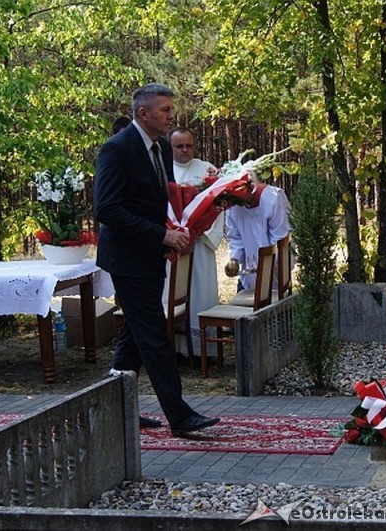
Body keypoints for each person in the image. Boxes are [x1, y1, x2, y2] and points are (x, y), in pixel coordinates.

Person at [93, 83, 219, 436]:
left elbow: (158, 202)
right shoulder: (116, 150)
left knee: (133, 335)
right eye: (164, 109)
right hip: (127, 259)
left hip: (151, 255)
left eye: (171, 109)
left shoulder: (161, 149)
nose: (171, 116)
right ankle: (179, 415)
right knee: (154, 335)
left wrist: (177, 228)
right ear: (142, 113)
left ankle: (118, 410)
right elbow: (106, 209)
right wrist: (161, 234)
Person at [168, 127, 222, 357]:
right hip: (171, 247)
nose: (184, 150)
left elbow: (220, 206)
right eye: (179, 146)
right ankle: (176, 350)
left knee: (201, 294)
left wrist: (198, 232)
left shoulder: (207, 170)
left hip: (200, 245)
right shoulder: (162, 170)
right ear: (170, 147)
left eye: (188, 145)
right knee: (171, 296)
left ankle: (202, 351)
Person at [224, 174, 291, 291]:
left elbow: (281, 239)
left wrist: (265, 264)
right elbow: (236, 238)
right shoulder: (233, 205)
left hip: (275, 272)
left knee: (274, 301)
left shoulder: (272, 199)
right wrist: (234, 259)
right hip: (248, 276)